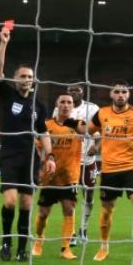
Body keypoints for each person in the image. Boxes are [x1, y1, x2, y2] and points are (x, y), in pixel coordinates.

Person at [0, 27, 56, 262]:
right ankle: (6, 242)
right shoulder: (7, 95)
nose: (26, 80)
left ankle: (21, 248)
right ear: (15, 79)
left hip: (30, 157)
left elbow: (43, 131)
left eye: (30, 77)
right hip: (9, 155)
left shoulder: (38, 105)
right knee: (9, 202)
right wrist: (3, 43)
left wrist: (50, 156)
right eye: (22, 76)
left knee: (27, 203)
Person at [88, 80, 133, 264]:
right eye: (117, 91)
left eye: (124, 92)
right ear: (111, 94)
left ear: (128, 95)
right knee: (106, 210)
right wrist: (96, 142)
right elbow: (89, 130)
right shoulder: (102, 113)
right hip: (109, 170)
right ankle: (103, 248)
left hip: (132, 168)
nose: (121, 95)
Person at [32, 94, 86, 260]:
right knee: (43, 213)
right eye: (62, 102)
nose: (66, 105)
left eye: (69, 102)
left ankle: (65, 248)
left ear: (73, 106)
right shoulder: (46, 125)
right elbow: (38, 148)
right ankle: (38, 242)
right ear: (56, 105)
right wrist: (38, 169)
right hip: (49, 177)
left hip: (70, 176)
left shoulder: (78, 125)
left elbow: (89, 132)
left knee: (69, 209)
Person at [52, 84, 100, 244]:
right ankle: (71, 233)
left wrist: (97, 145)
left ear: (82, 92)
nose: (74, 93)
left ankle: (83, 229)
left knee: (89, 195)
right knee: (69, 197)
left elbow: (102, 129)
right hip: (69, 161)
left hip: (88, 160)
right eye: (71, 91)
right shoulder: (60, 109)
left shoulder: (93, 108)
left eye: (77, 90)